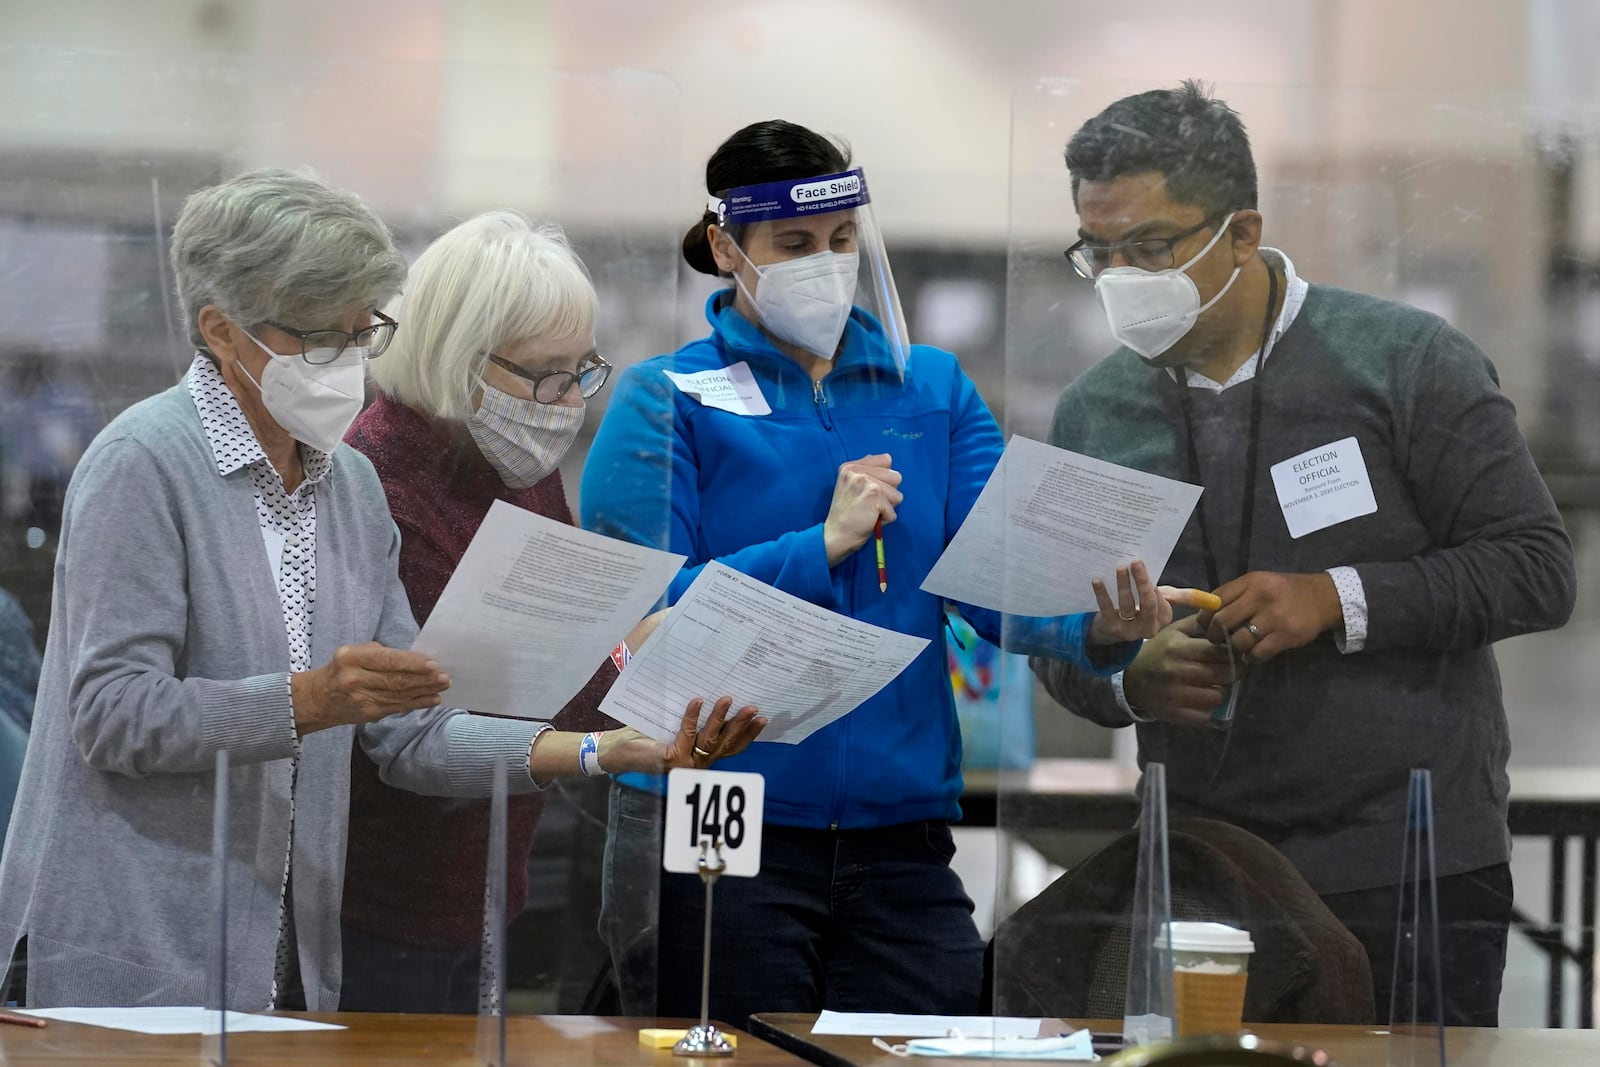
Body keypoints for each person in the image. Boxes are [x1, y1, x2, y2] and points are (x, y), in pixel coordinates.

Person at [0, 169, 758, 1011]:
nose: (352, 363)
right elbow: (111, 714)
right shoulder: (142, 462)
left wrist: (599, 750)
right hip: (138, 940)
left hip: (294, 944)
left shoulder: (349, 486)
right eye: (323, 341)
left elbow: (411, 736)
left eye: (365, 333)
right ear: (222, 331)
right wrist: (307, 701)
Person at [582, 119, 1180, 1024]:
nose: (825, 263)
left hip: (901, 832)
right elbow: (648, 615)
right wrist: (816, 547)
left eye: (842, 240)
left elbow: (995, 573)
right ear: (724, 247)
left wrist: (1098, 623)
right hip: (725, 817)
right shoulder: (662, 399)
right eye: (793, 245)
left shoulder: (930, 387)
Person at [1030, 82, 1577, 1027]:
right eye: (1099, 251)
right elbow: (1055, 637)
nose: (1122, 275)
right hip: (1199, 868)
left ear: (1241, 232)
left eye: (1151, 247)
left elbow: (1535, 566)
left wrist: (1338, 597)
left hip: (1406, 862)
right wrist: (1126, 676)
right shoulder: (1094, 411)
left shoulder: (1405, 362)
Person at [337, 212, 758, 1012]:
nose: (566, 402)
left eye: (582, 371)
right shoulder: (382, 481)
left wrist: (649, 648)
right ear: (463, 361)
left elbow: (565, 656)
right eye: (545, 376)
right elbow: (425, 723)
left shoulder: (509, 459)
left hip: (493, 868)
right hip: (384, 890)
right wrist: (611, 729)